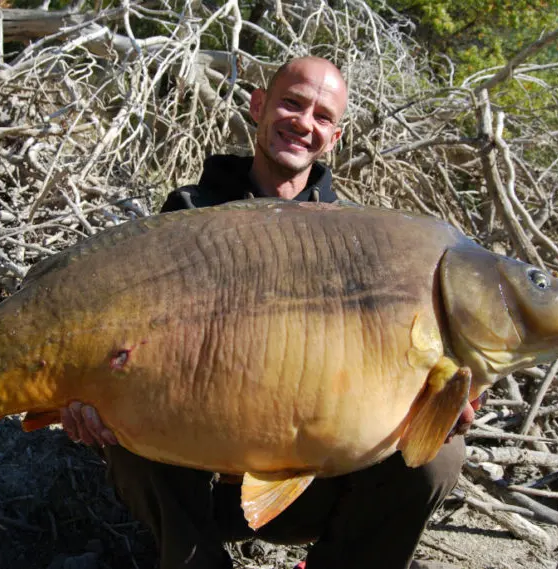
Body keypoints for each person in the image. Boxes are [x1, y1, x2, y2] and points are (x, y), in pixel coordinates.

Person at [61, 56, 481, 569]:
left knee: (438, 457)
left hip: (313, 488)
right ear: (259, 104)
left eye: (323, 116)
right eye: (292, 102)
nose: (305, 123)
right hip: (197, 479)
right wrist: (82, 394)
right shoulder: (189, 214)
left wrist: (433, 409)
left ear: (336, 136)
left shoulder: (361, 244)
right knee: (129, 416)